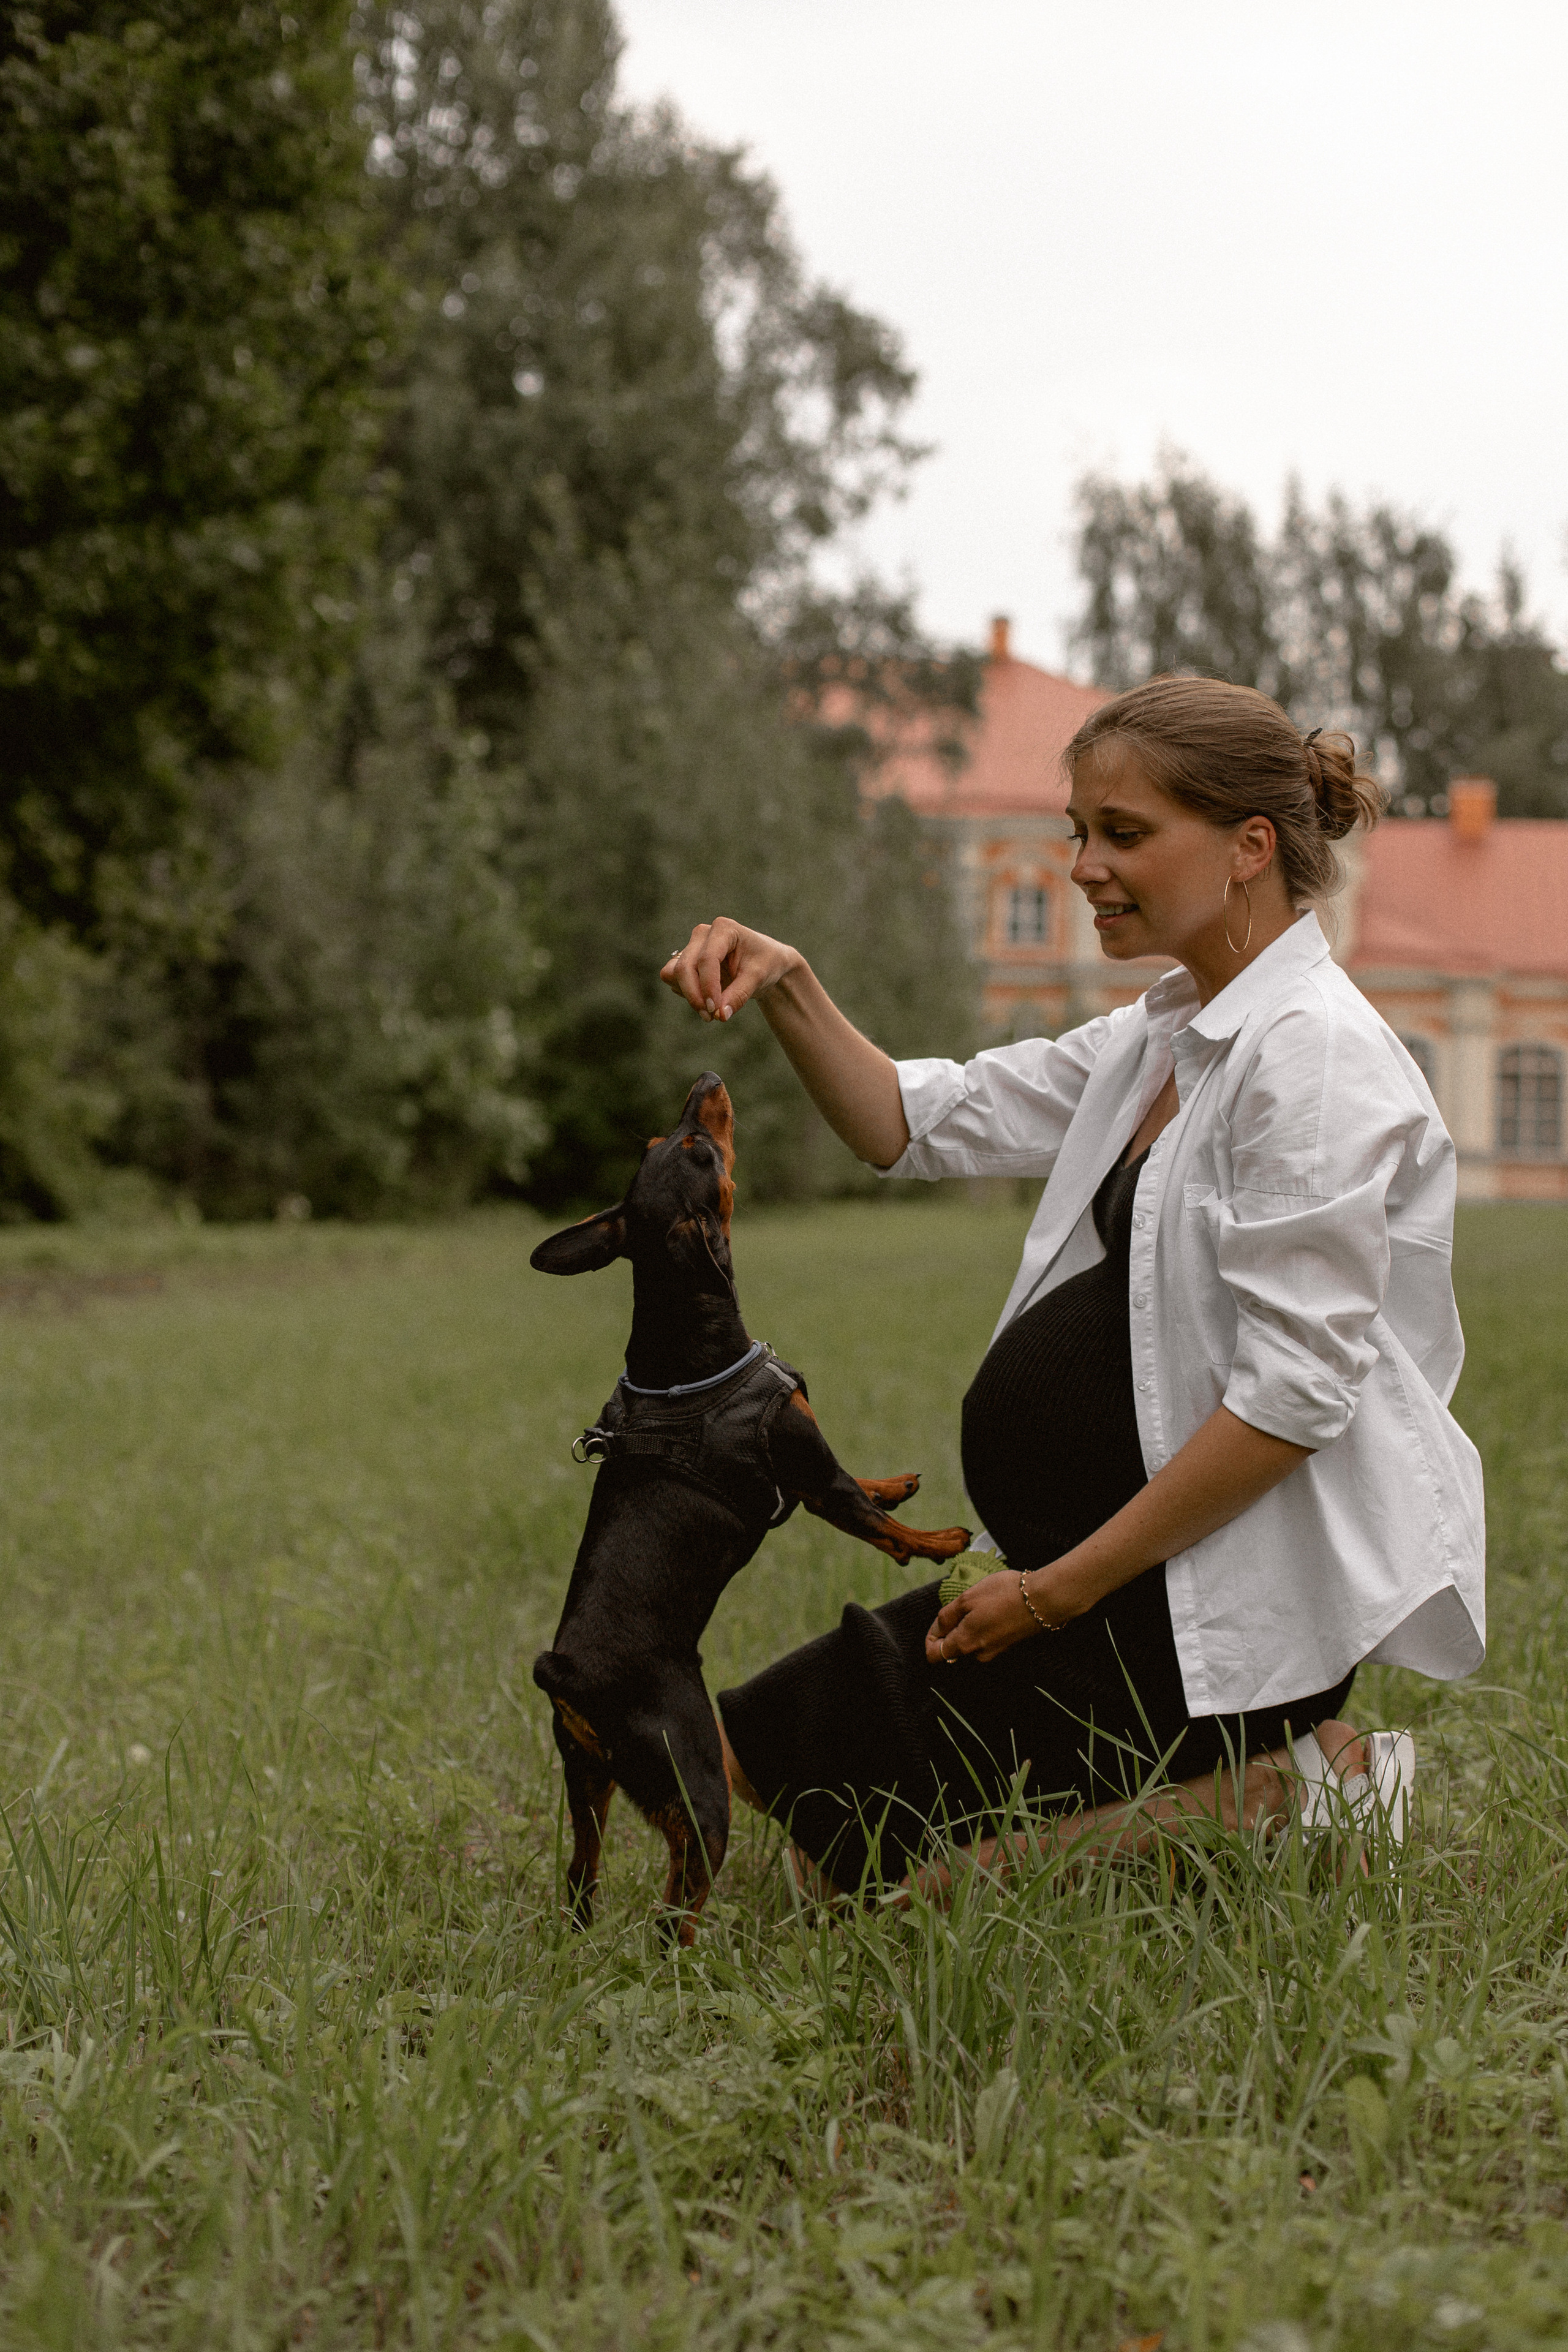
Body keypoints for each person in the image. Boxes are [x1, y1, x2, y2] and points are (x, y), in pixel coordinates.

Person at [661, 676, 1485, 1896]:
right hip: (1098, 1575)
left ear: (1248, 846)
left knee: (915, 1901)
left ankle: (1296, 1785)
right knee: (765, 1794)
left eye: (1125, 834)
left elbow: (1288, 1406)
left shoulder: (1309, 1057)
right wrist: (790, 984)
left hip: (1204, 1603)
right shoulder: (1168, 1031)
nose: (1083, 867)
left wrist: (1050, 1596)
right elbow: (905, 1120)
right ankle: (1265, 1780)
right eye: (1077, 833)